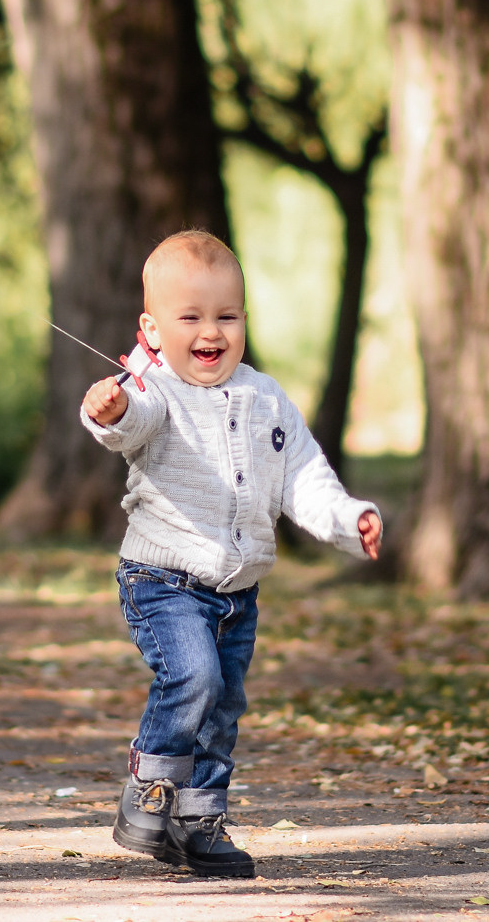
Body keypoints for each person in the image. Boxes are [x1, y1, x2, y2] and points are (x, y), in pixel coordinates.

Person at [80, 230, 383, 878]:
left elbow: (301, 476)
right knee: (194, 677)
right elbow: (128, 421)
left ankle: (199, 821)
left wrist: (347, 518)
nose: (210, 330)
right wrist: (109, 409)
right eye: (189, 317)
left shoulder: (264, 397)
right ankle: (151, 785)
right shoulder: (155, 388)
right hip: (161, 578)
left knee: (221, 707)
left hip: (236, 591)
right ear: (153, 327)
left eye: (227, 315)